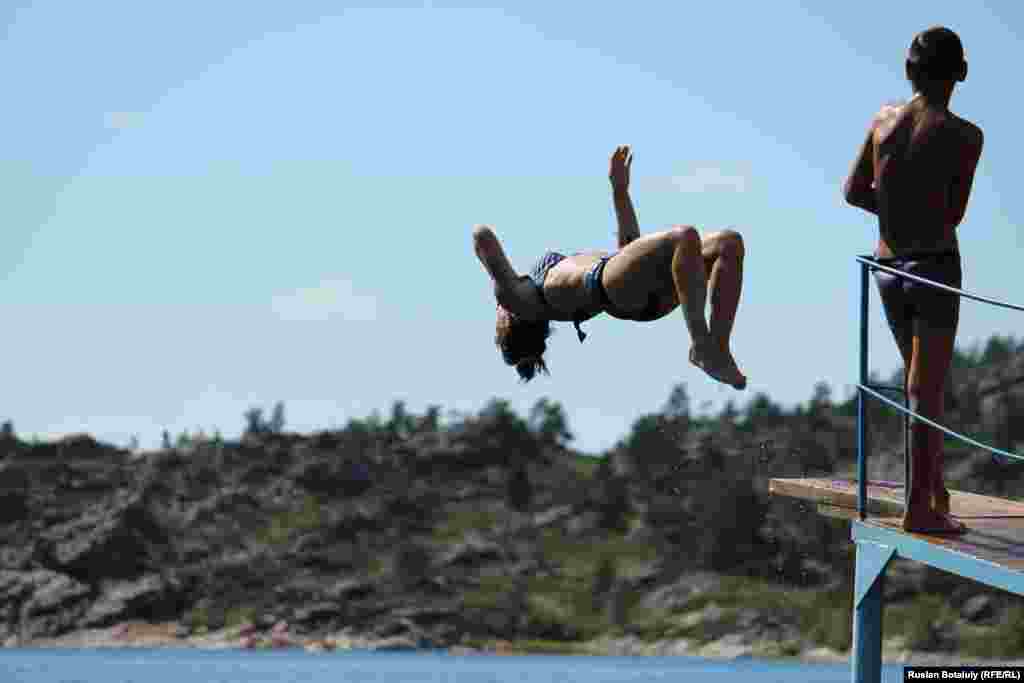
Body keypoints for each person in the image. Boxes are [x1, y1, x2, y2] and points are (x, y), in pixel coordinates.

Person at [844, 26, 984, 534]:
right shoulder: (965, 136)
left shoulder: (883, 122)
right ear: (962, 73)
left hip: (887, 269)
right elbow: (954, 212)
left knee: (916, 383)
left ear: (909, 71)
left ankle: (934, 488)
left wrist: (895, 206)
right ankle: (918, 508)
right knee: (925, 388)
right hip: (934, 268)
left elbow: (854, 189)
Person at [473, 145, 747, 389]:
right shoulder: (521, 300)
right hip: (608, 286)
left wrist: (620, 193)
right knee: (683, 237)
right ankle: (702, 346)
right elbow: (481, 235)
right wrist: (502, 292)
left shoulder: (532, 293)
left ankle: (718, 348)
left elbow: (630, 251)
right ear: (511, 322)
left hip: (632, 286)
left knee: (729, 243)